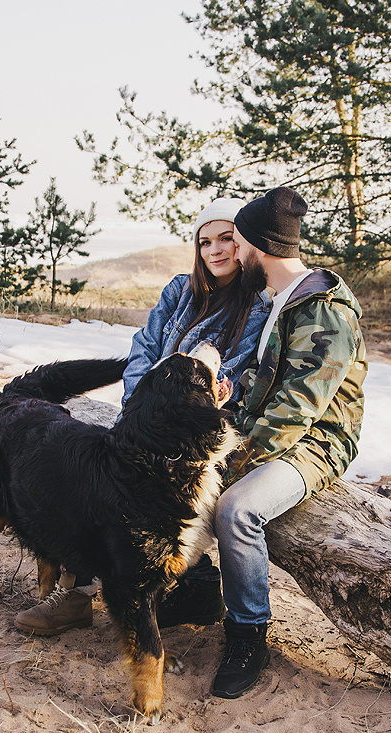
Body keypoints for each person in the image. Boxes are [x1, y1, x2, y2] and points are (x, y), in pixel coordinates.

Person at [14, 196, 272, 636]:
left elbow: (229, 377)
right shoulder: (180, 290)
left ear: (244, 244)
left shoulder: (256, 308)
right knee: (93, 479)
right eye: (205, 241)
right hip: (143, 423)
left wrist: (166, 417)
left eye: (227, 238)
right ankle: (76, 595)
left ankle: (185, 589)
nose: (215, 251)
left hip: (198, 437)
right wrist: (138, 411)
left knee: (139, 505)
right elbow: (143, 350)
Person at [209, 186, 367, 699]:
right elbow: (263, 382)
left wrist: (231, 462)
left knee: (236, 509)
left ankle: (248, 634)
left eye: (238, 243)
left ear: (258, 246)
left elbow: (299, 410)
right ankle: (189, 594)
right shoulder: (277, 301)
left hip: (319, 442)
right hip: (276, 427)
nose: (233, 253)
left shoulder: (324, 311)